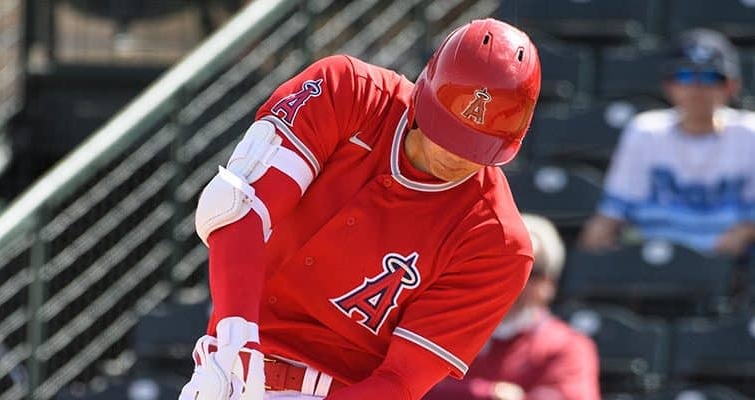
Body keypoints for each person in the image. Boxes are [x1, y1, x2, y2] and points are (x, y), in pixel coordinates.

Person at [179, 18, 541, 400]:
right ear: (425, 90)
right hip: (229, 365)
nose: (455, 154)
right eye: (447, 130)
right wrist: (234, 343)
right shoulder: (349, 90)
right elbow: (237, 207)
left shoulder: (497, 243)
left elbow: (400, 382)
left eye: (475, 145)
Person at [579, 29, 755, 258]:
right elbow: (612, 214)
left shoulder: (749, 133)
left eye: (711, 77)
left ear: (732, 86)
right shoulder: (645, 131)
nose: (697, 88)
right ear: (669, 85)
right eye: (685, 76)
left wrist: (745, 232)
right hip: (652, 261)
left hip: (731, 264)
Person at [423, 214, 600, 400]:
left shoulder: (567, 346)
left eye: (528, 269)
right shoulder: (443, 331)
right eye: (497, 263)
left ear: (547, 283)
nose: (508, 276)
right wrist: (489, 393)